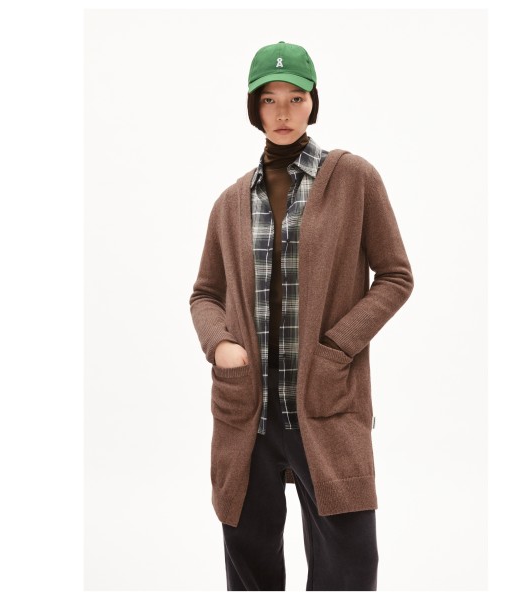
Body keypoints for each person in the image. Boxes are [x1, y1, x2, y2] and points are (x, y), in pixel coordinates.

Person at [190, 41, 414, 591]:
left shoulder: (354, 179)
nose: (283, 112)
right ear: (254, 108)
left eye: (295, 97)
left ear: (314, 102)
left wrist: (337, 347)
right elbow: (205, 294)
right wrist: (221, 345)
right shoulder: (230, 202)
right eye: (269, 99)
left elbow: (395, 276)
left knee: (349, 569)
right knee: (250, 572)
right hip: (248, 414)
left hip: (327, 404)